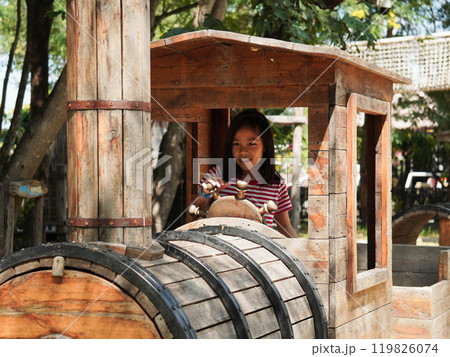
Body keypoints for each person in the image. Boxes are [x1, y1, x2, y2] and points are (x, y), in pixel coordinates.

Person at [196, 109, 297, 238]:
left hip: (257, 254)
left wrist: (302, 254)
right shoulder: (218, 175)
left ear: (265, 146)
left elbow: (285, 227)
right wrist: (205, 194)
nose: (243, 151)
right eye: (236, 144)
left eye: (251, 144)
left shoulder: (276, 184)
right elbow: (194, 214)